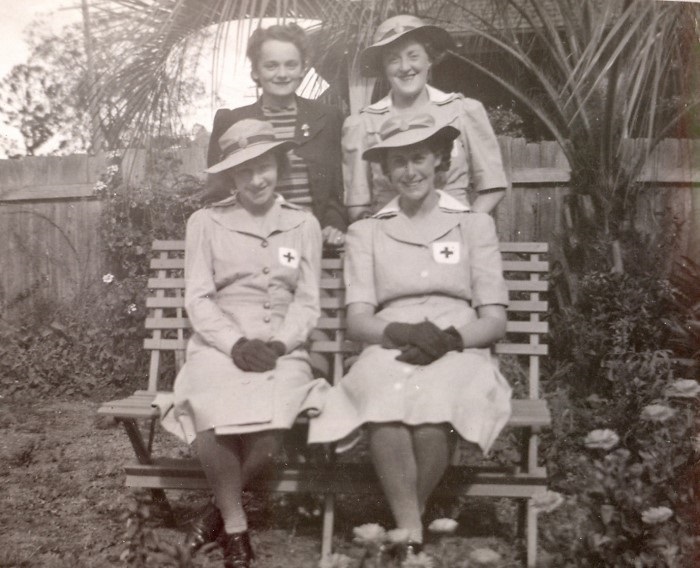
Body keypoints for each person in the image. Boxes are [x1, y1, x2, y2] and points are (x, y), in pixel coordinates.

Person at [308, 113, 512, 559]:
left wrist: (451, 340)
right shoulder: (366, 232)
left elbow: (494, 320)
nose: (409, 171)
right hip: (390, 341)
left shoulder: (473, 225)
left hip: (458, 343)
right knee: (383, 393)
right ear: (384, 170)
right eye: (397, 162)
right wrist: (399, 331)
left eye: (418, 157)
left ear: (439, 159)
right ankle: (413, 534)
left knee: (437, 400)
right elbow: (360, 321)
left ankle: (404, 531)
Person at [174, 118, 328, 568]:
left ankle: (215, 509)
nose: (257, 179)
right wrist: (235, 343)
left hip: (282, 349)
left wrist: (280, 345)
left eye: (264, 166)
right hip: (219, 345)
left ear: (278, 164)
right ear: (231, 177)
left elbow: (307, 302)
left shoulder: (303, 224)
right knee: (209, 404)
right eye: (245, 171)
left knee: (273, 426)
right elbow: (198, 299)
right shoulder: (206, 222)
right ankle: (237, 527)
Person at [343, 14, 507, 221]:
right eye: (393, 59)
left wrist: (466, 226)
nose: (404, 67)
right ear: (384, 69)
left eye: (413, 56)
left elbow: (493, 186)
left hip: (453, 236)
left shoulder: (462, 111)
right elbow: (357, 204)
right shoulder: (363, 123)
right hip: (390, 237)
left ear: (430, 59)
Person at [206, 22, 347, 246]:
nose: (282, 74)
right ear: (255, 71)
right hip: (252, 245)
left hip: (314, 243)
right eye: (271, 66)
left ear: (303, 68)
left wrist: (334, 224)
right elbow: (217, 195)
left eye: (291, 65)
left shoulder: (328, 118)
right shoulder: (231, 122)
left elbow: (335, 191)